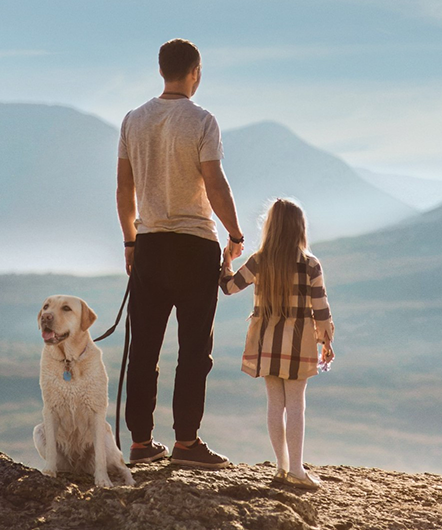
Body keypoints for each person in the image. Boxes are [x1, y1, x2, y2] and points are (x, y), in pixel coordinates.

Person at [115, 38, 244, 469]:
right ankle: (186, 444)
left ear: (160, 70)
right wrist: (236, 232)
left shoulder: (133, 120)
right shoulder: (203, 120)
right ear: (196, 72)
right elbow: (215, 182)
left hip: (149, 244)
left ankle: (139, 443)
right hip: (194, 245)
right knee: (193, 350)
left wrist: (131, 241)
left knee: (144, 348)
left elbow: (124, 188)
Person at [220, 198, 336, 490]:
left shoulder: (260, 260)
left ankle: (282, 467)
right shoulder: (310, 264)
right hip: (299, 340)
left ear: (270, 227)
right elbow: (321, 309)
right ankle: (297, 469)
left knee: (275, 403)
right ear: (300, 227)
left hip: (266, 339)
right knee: (296, 404)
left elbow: (229, 287)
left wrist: (226, 263)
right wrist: (326, 341)